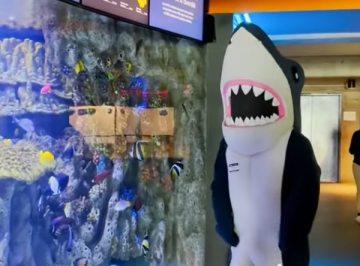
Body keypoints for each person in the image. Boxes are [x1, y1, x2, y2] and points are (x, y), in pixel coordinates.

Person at [349, 129, 360, 223]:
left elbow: (351, 150)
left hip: (357, 164)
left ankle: (359, 214)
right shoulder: (356, 134)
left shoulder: (356, 134)